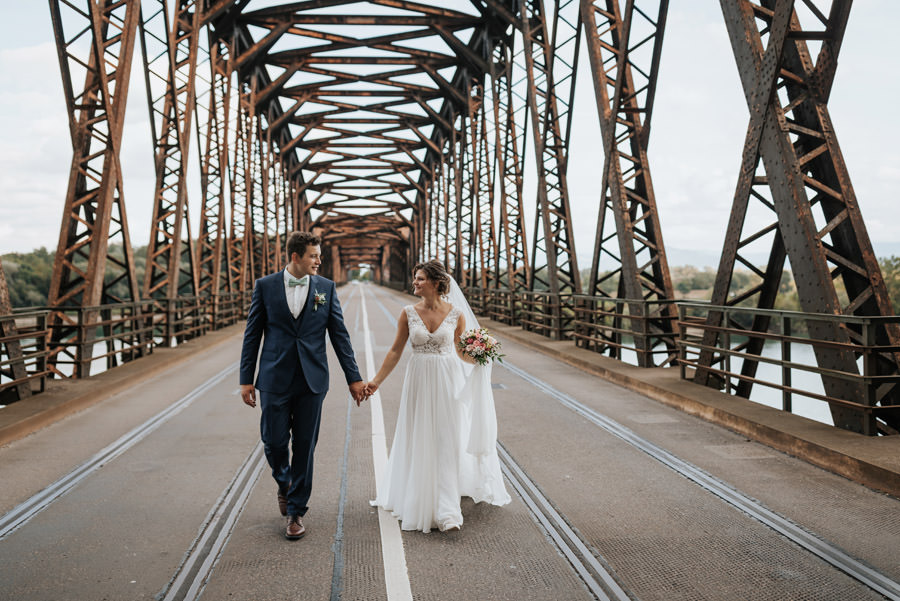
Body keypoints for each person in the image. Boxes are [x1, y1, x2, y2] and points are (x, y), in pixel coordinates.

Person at [240, 231, 367, 540]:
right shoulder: (265, 286)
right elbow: (252, 334)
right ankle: (284, 483)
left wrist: (354, 377)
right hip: (273, 378)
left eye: (320, 255)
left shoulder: (326, 288)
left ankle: (296, 510)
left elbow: (339, 335)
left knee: (305, 446)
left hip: (313, 379)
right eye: (313, 255)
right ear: (295, 257)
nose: (319, 261)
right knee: (273, 441)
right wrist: (246, 379)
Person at [365, 260, 510, 532]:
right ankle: (418, 496)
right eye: (415, 278)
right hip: (419, 379)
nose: (415, 283)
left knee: (446, 437)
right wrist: (376, 382)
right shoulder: (408, 312)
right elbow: (395, 351)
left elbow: (460, 351)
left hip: (447, 379)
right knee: (419, 435)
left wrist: (482, 356)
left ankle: (447, 510)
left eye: (420, 279)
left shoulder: (456, 313)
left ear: (435, 283)